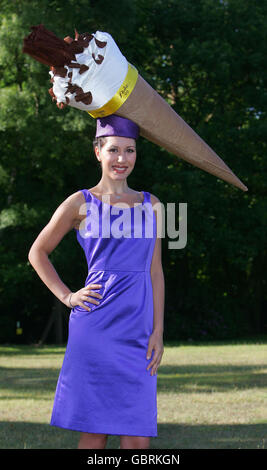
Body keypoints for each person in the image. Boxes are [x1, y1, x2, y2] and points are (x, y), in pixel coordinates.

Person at [28, 114, 165, 449]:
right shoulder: (80, 203)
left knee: (138, 438)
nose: (122, 158)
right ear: (98, 152)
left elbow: (155, 271)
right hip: (95, 327)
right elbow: (37, 253)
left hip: (138, 331)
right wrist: (68, 296)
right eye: (114, 150)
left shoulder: (154, 205)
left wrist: (158, 330)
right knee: (94, 431)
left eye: (130, 151)